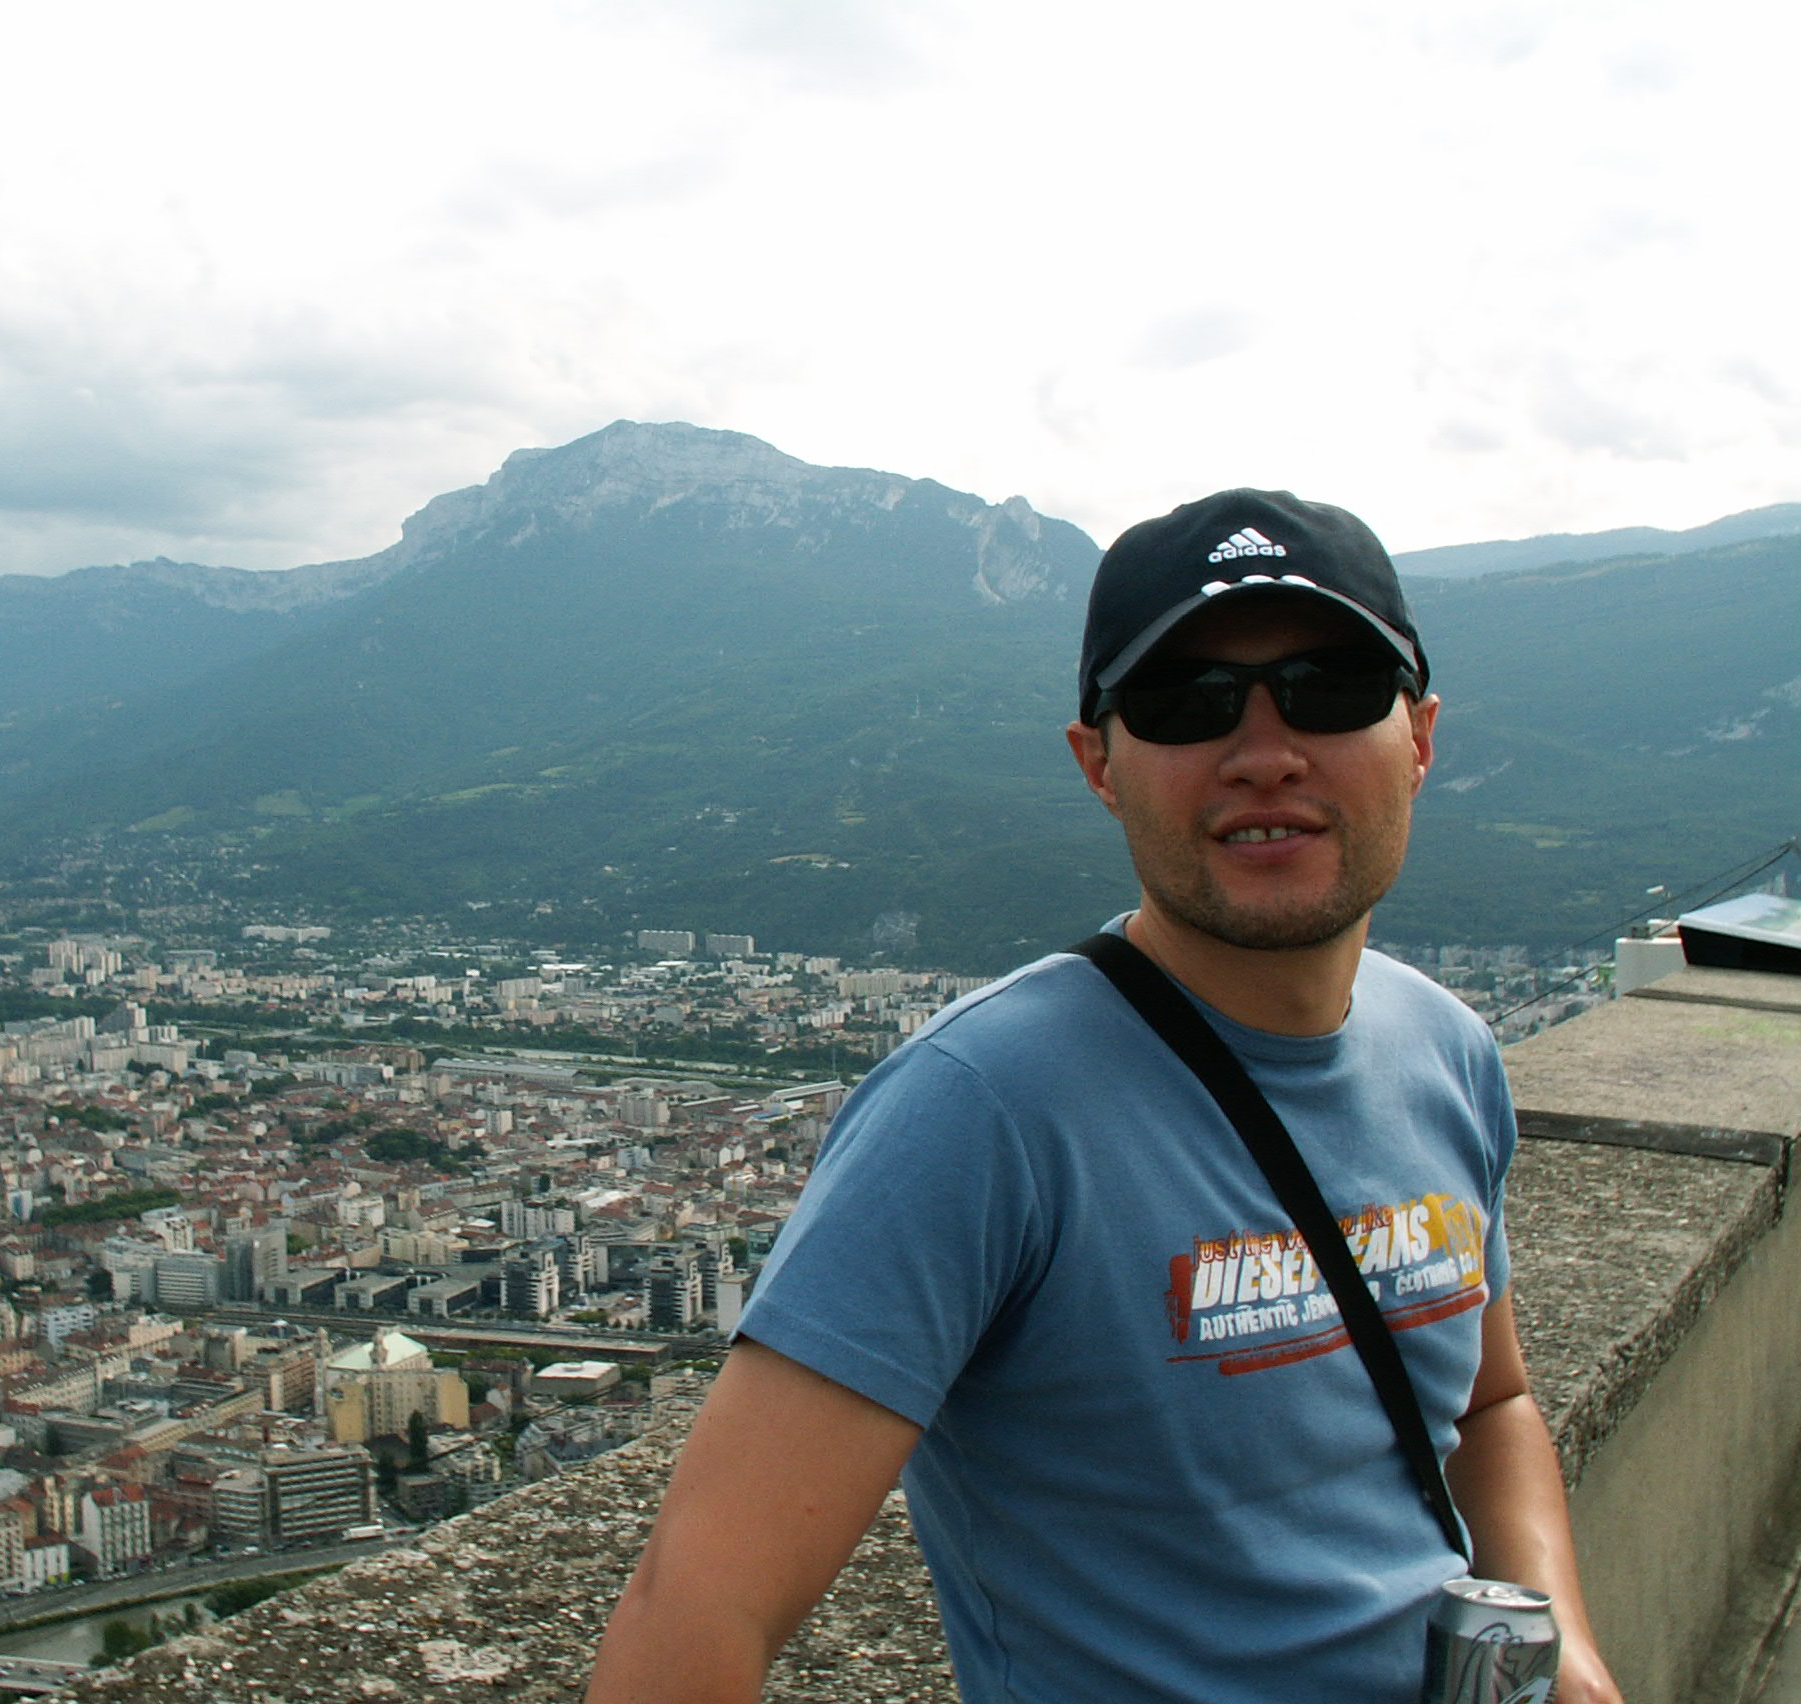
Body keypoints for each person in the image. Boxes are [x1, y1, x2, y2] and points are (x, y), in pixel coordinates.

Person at [585, 489, 1622, 1704]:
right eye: (1186, 702)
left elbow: (1490, 1403)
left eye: (1329, 687)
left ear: (1421, 734)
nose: (1265, 752)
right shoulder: (980, 1108)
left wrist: (1567, 1649)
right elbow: (698, 1606)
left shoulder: (1447, 1051)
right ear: (1100, 767)